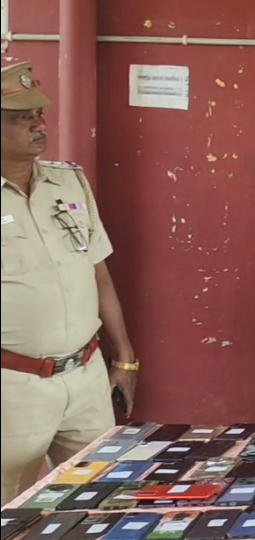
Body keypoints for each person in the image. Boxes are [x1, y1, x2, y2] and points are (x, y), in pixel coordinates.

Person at [1, 62, 138, 505]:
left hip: (86, 375)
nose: (39, 125)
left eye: (38, 114)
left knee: (99, 497)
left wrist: (125, 358)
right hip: (13, 385)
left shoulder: (69, 182)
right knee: (10, 508)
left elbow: (98, 273)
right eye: (21, 119)